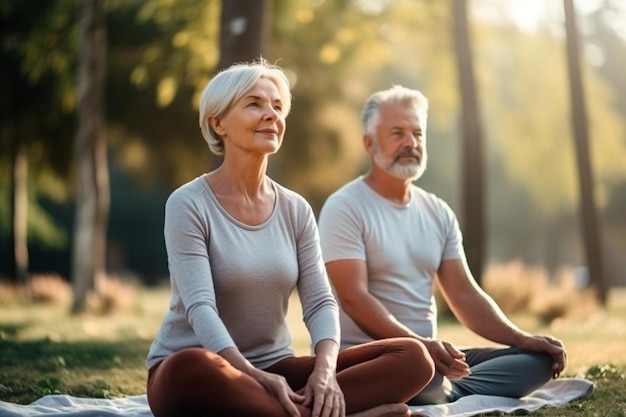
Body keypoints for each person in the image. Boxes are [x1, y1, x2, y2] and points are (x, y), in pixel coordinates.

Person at [145, 61, 435, 417]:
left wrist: (324, 373)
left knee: (413, 358)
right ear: (217, 123)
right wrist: (252, 375)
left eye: (278, 107)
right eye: (254, 104)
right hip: (207, 369)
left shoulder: (295, 208)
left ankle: (289, 411)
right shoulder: (188, 203)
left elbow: (320, 303)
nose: (271, 115)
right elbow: (200, 308)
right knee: (187, 369)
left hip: (277, 367)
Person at [317, 85, 567, 406]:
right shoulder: (345, 207)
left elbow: (464, 294)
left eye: (418, 134)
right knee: (416, 367)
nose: (411, 143)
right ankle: (444, 390)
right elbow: (353, 297)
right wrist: (420, 345)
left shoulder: (437, 211)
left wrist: (523, 338)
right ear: (370, 142)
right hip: (378, 361)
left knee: (536, 360)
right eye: (397, 133)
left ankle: (446, 391)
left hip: (432, 358)